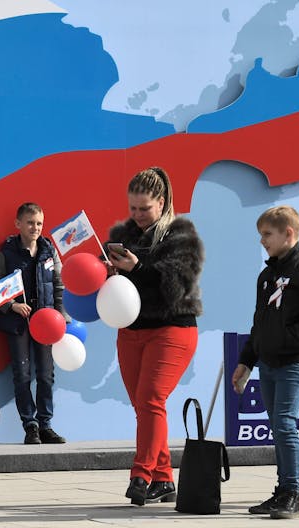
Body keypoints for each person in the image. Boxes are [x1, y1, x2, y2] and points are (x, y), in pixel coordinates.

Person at [104, 166, 204, 506]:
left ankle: (141, 475)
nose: (137, 215)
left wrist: (138, 269)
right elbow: (117, 290)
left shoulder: (181, 235)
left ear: (161, 203)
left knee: (150, 399)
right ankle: (164, 479)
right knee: (144, 407)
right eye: (132, 208)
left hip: (172, 328)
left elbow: (177, 287)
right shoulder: (123, 235)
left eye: (144, 208)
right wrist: (109, 273)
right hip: (131, 331)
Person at [232, 205, 299, 520]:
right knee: (277, 426)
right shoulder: (267, 276)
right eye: (261, 234)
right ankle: (281, 491)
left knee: (285, 423)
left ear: (288, 234)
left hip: (294, 363)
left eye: (267, 234)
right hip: (268, 365)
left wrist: (284, 339)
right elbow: (259, 324)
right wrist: (247, 361)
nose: (262, 241)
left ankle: (292, 494)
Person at [0, 202, 67, 445]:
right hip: (18, 324)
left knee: (46, 375)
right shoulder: (6, 253)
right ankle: (30, 426)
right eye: (30, 222)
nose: (35, 227)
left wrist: (60, 319)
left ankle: (46, 425)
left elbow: (59, 285)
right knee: (22, 375)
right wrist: (12, 306)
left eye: (39, 223)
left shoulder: (49, 251)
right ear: (18, 224)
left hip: (47, 324)